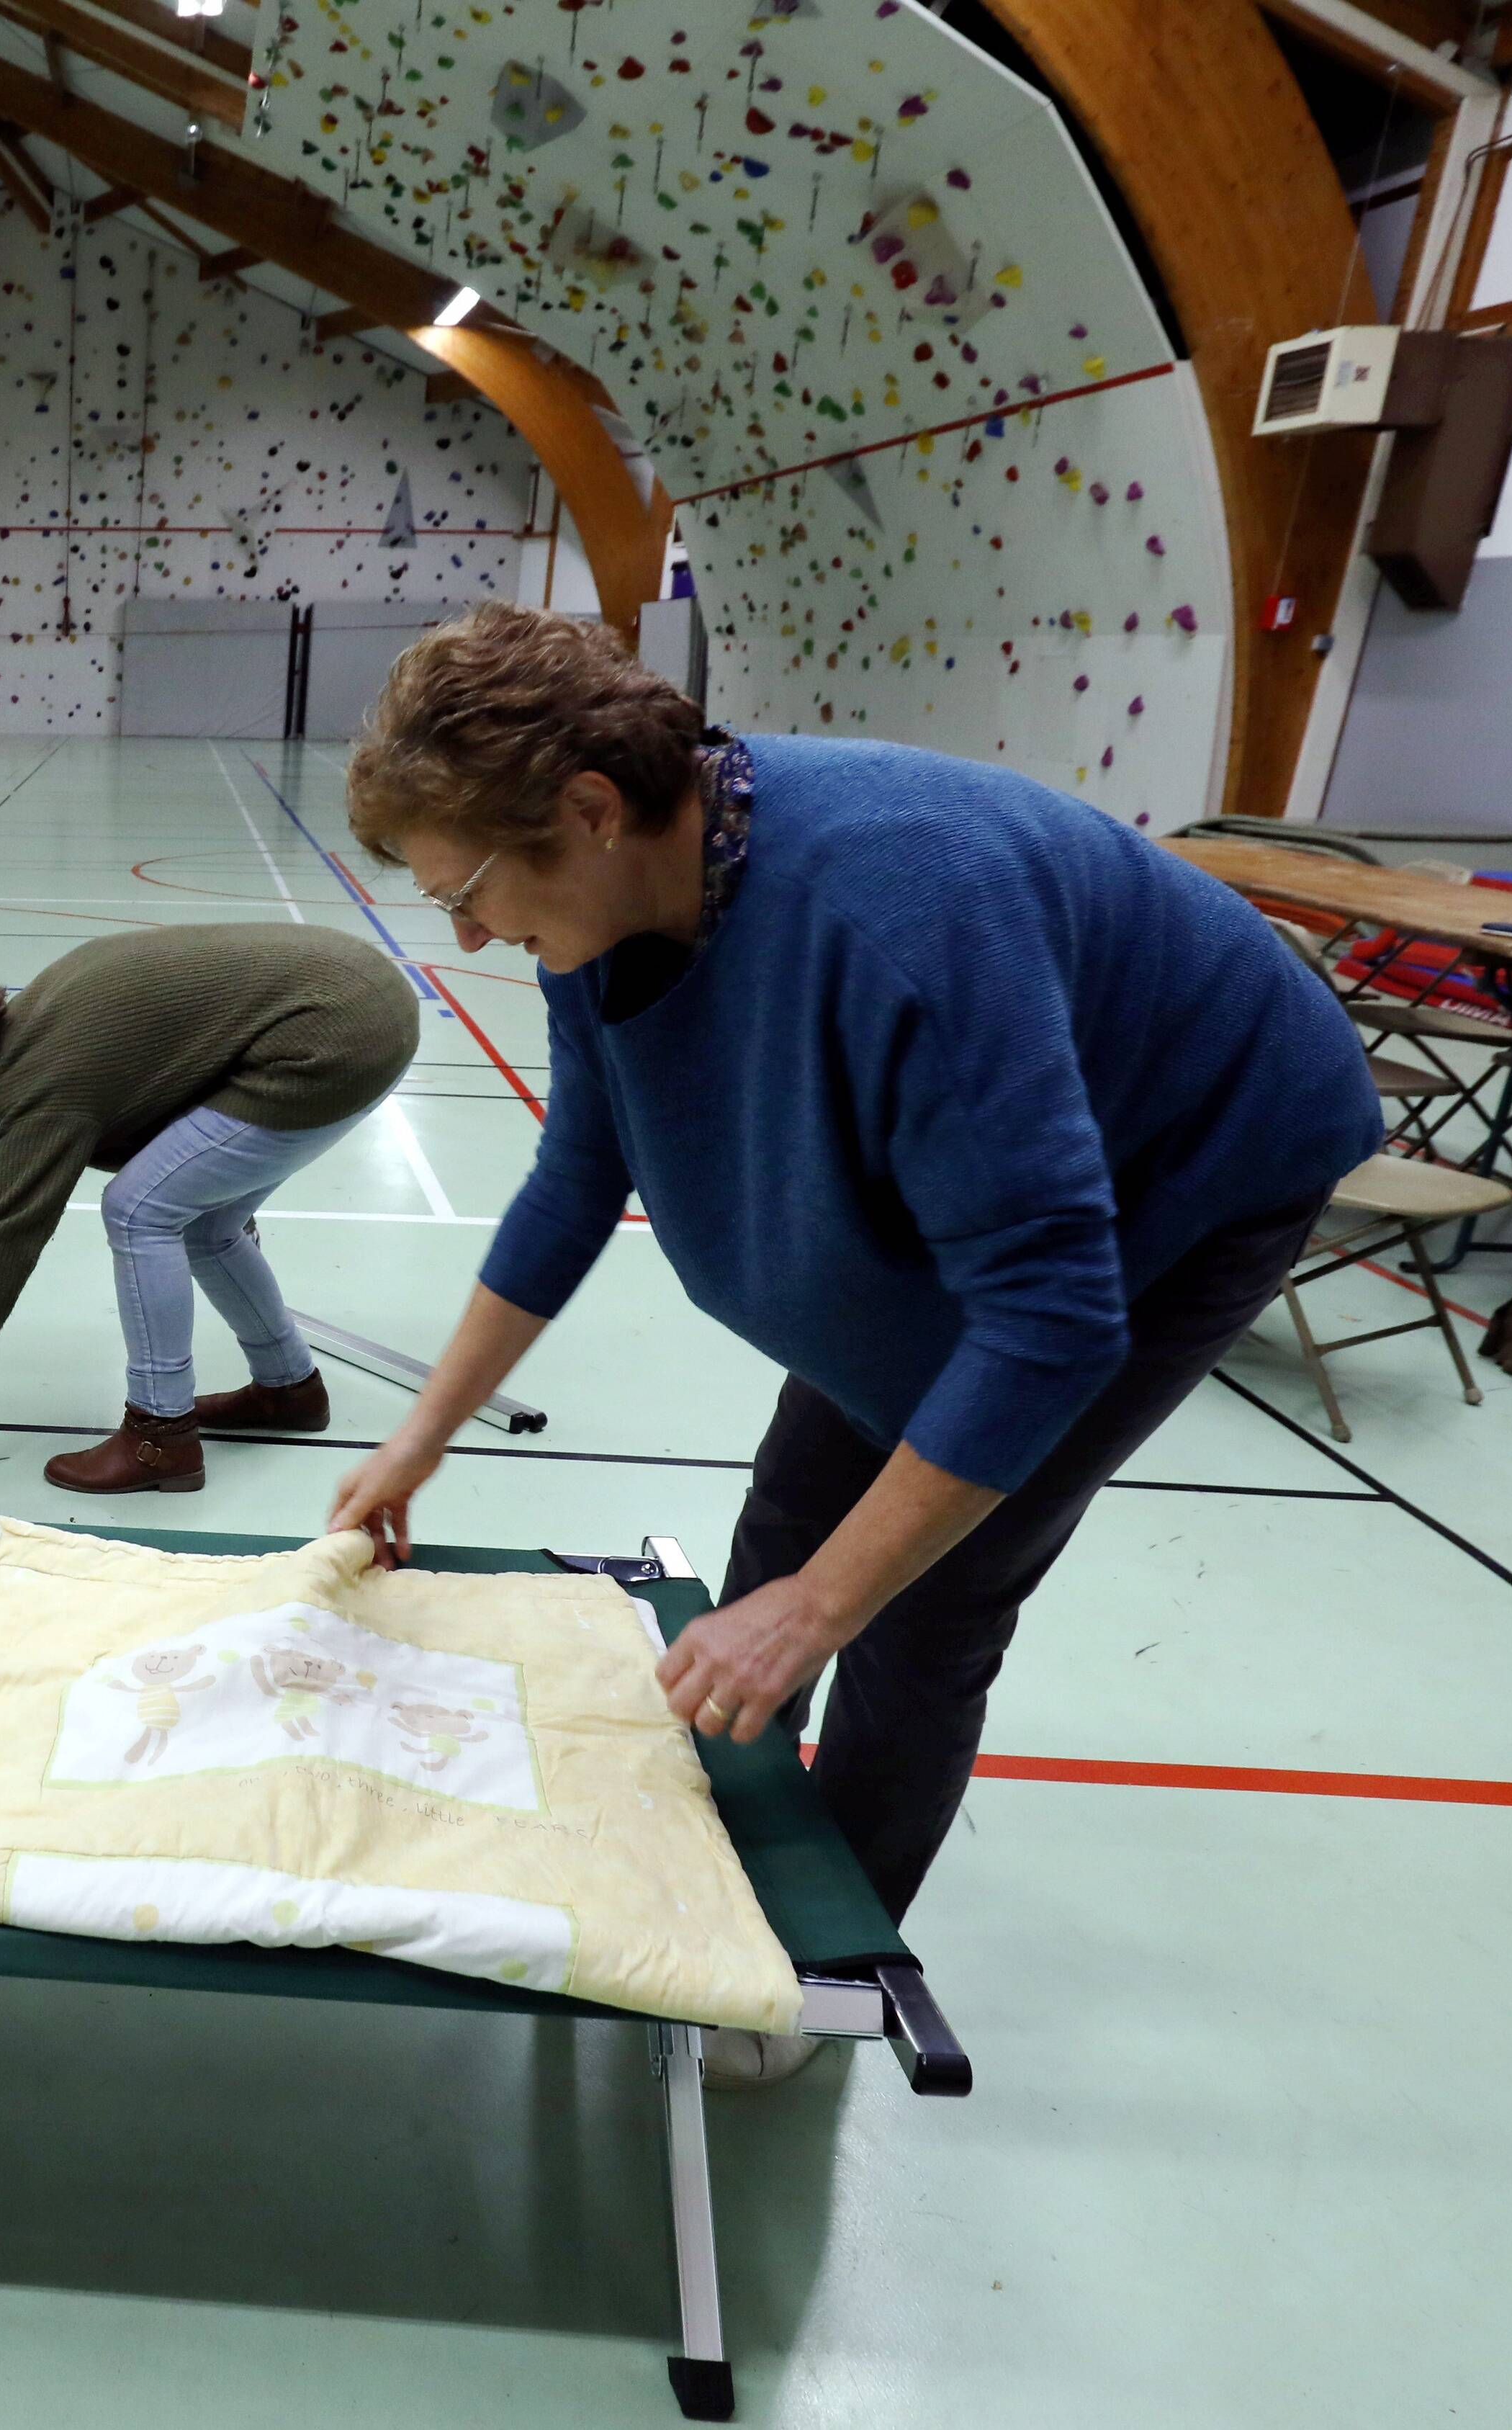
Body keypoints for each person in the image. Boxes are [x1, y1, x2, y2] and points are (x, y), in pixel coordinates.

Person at [320, 606, 1378, 2076]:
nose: (472, 933)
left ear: (590, 808)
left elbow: (1052, 1314)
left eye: (475, 892)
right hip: (1020, 1145)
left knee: (919, 1608)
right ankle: (717, 1844)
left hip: (1194, 1153)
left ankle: (822, 1973)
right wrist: (420, 1431)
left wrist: (824, 1604)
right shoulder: (606, 906)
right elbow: (579, 1173)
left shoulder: (898, 915)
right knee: (795, 1524)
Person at [0, 925, 421, 1502]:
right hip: (370, 1000)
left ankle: (160, 1439)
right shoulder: (41, 1009)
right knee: (203, 1219)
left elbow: (4, 1243)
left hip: (333, 1042)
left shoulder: (41, 1083)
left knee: (139, 1210)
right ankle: (289, 1390)